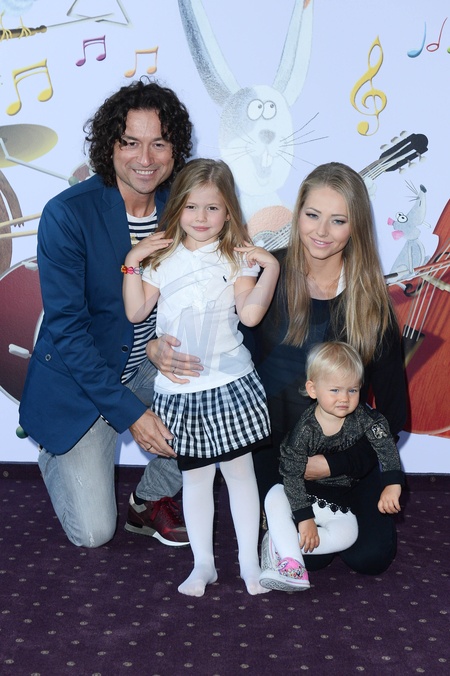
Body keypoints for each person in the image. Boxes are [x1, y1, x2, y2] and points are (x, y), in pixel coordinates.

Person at [147, 161, 407, 576]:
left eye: (338, 220)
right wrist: (154, 346)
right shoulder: (265, 272)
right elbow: (210, 334)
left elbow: (393, 412)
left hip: (347, 453)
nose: (322, 231)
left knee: (371, 557)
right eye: (312, 215)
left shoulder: (372, 301)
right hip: (276, 448)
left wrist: (338, 465)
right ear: (297, 213)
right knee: (311, 558)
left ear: (355, 226)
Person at [19, 79, 193, 548]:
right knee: (94, 533)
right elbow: (69, 332)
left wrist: (156, 348)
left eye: (159, 143)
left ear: (175, 149)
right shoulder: (68, 214)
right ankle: (60, 449)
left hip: (148, 367)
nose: (145, 158)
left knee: (218, 401)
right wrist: (132, 414)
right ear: (109, 147)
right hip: (83, 382)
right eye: (130, 142)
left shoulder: (184, 208)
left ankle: (149, 499)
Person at [122, 158, 280, 596]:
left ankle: (249, 565)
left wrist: (270, 269)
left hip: (230, 385)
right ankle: (203, 565)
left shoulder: (237, 257)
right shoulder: (162, 258)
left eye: (213, 208)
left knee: (240, 476)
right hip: (181, 390)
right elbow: (135, 311)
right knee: (195, 479)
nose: (201, 217)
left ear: (228, 211)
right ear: (178, 209)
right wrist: (132, 261)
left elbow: (250, 316)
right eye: (191, 207)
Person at [259, 341, 404, 591]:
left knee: (349, 535)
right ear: (313, 389)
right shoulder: (305, 429)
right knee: (275, 495)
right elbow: (292, 475)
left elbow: (385, 445)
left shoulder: (365, 419)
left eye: (352, 390)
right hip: (304, 497)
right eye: (335, 390)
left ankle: (281, 543)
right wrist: (304, 518)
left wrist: (392, 483)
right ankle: (293, 565)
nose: (344, 399)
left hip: (339, 503)